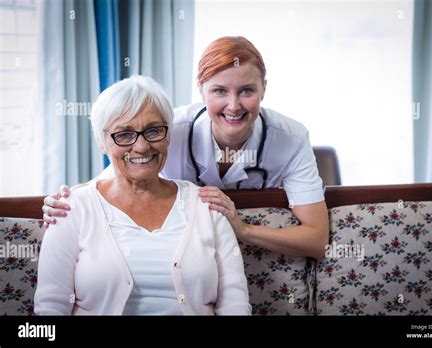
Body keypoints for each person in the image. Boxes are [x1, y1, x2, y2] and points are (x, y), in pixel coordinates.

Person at [42, 36, 329, 260]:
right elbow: (110, 181)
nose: (233, 105)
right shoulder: (165, 130)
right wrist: (67, 201)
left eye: (247, 90)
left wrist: (243, 229)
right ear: (201, 89)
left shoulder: (290, 137)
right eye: (220, 91)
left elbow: (316, 240)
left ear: (263, 89)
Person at [34, 75, 251, 315]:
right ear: (102, 143)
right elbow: (50, 308)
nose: (142, 147)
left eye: (153, 130)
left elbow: (234, 304)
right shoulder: (70, 209)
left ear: (168, 136)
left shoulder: (206, 206)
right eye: (124, 134)